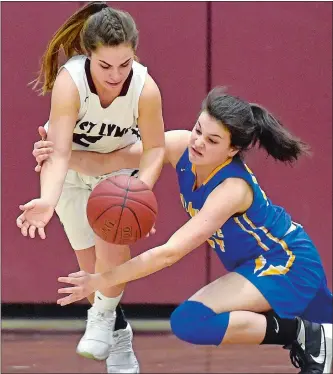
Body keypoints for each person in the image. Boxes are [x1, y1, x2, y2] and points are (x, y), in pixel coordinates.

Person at [54, 87, 332, 374]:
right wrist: (58, 156)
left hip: (286, 263)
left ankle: (303, 334)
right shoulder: (180, 145)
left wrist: (101, 280)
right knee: (192, 321)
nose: (198, 142)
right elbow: (110, 161)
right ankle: (310, 335)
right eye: (198, 130)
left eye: (212, 140)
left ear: (232, 150)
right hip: (254, 266)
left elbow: (169, 253)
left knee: (191, 321)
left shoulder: (231, 189)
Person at [16, 2, 165, 373]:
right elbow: (60, 152)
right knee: (94, 270)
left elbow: (156, 147)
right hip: (68, 175)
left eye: (124, 64)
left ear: (134, 55)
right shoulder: (70, 82)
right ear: (88, 56)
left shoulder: (145, 89)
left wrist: (139, 191)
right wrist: (47, 201)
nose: (115, 75)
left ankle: (101, 320)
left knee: (110, 263)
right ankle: (119, 335)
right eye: (105, 66)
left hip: (115, 178)